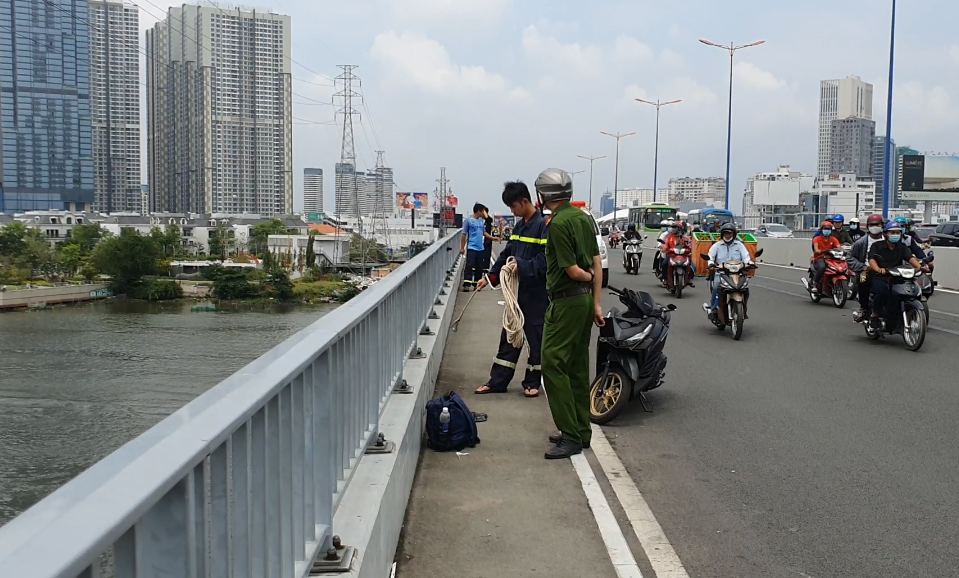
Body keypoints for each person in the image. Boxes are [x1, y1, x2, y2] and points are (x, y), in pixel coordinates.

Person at [537, 168, 604, 460]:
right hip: (585, 302)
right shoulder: (583, 218)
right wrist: (597, 302)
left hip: (566, 303)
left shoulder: (558, 224)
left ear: (543, 195)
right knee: (576, 366)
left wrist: (587, 280)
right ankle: (581, 430)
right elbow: (597, 263)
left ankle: (570, 434)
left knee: (552, 364)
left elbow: (575, 271)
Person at [474, 182, 548, 398]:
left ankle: (533, 382)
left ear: (525, 201)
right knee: (510, 335)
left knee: (535, 339)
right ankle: (497, 381)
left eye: (513, 206)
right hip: (516, 294)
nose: (512, 211)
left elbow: (545, 260)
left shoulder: (543, 225)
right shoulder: (519, 227)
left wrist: (522, 267)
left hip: (536, 294)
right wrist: (489, 277)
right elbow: (508, 253)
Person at [867, 221, 926, 327]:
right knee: (882, 290)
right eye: (892, 232)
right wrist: (878, 269)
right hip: (881, 276)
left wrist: (920, 267)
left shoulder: (902, 247)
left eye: (897, 233)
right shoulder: (877, 246)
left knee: (910, 289)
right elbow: (872, 260)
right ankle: (875, 314)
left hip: (898, 276)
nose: (895, 235)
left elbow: (910, 258)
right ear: (886, 234)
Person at [705, 222, 753, 314]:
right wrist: (710, 263)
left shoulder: (739, 245)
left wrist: (749, 263)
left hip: (737, 274)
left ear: (734, 234)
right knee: (716, 288)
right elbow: (710, 256)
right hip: (721, 273)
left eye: (730, 233)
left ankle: (744, 308)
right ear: (722, 234)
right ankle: (714, 309)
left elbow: (746, 256)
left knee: (746, 289)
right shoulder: (717, 245)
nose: (727, 235)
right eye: (726, 233)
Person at [847, 214, 886, 320]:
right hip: (868, 271)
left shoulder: (889, 240)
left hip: (887, 271)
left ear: (882, 225)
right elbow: (850, 257)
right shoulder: (861, 242)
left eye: (877, 224)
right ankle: (864, 308)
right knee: (863, 280)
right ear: (868, 226)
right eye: (872, 225)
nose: (875, 227)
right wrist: (863, 267)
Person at [460, 203, 496, 291]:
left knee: (479, 267)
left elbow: (484, 232)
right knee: (469, 265)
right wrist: (462, 247)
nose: (484, 213)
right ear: (479, 211)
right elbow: (464, 234)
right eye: (483, 211)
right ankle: (467, 284)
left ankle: (477, 284)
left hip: (481, 248)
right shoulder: (468, 221)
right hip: (472, 247)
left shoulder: (481, 221)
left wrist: (493, 238)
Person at [659, 221, 695, 287]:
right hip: (671, 255)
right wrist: (664, 248)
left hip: (683, 255)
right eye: (672, 227)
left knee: (692, 265)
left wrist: (688, 249)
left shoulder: (685, 238)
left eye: (674, 227)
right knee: (664, 264)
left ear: (679, 228)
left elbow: (690, 244)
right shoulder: (669, 237)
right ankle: (665, 280)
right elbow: (664, 244)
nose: (673, 229)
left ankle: (689, 279)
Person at [810, 220, 841, 294]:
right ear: (822, 229)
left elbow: (839, 247)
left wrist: (844, 250)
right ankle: (815, 283)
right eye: (825, 229)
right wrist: (819, 251)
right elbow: (816, 248)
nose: (827, 230)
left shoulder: (833, 239)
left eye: (828, 229)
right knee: (822, 267)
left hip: (831, 258)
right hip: (819, 258)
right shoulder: (817, 239)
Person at [481, 206, 497, 276]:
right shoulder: (478, 220)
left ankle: (485, 270)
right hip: (479, 241)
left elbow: (489, 219)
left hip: (487, 241)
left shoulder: (488, 220)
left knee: (487, 255)